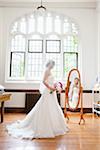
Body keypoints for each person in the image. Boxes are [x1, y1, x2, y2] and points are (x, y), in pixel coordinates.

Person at [6, 60, 68, 139]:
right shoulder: (46, 71)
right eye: (53, 65)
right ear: (50, 64)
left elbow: (51, 81)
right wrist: (50, 87)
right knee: (45, 106)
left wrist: (56, 85)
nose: (53, 66)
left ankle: (55, 125)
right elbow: (43, 81)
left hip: (52, 92)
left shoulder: (50, 71)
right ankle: (43, 125)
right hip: (48, 91)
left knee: (53, 106)